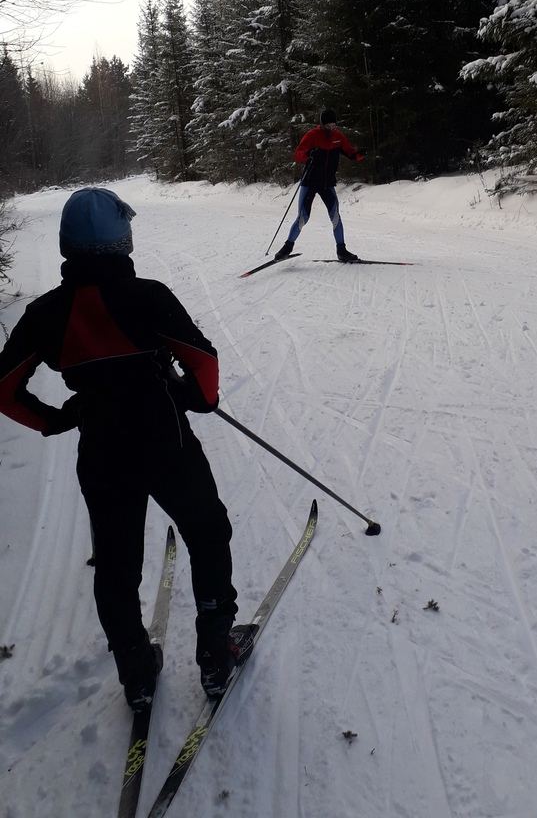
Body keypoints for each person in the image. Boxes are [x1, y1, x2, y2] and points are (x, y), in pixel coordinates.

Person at [0, 187, 243, 713]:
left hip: (103, 449)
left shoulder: (47, 313)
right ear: (122, 240)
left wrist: (57, 419)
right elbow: (202, 362)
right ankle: (214, 650)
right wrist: (194, 398)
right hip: (165, 439)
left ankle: (135, 671)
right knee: (206, 530)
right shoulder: (148, 296)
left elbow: (3, 389)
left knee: (115, 561)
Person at [274, 109, 366, 262]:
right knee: (303, 217)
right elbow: (297, 155)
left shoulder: (338, 137)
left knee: (335, 215)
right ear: (322, 124)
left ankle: (341, 250)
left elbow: (352, 154)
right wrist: (309, 154)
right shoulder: (312, 135)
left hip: (327, 183)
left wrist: (360, 153)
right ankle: (286, 248)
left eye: (333, 126)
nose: (331, 129)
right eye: (328, 126)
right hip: (310, 182)